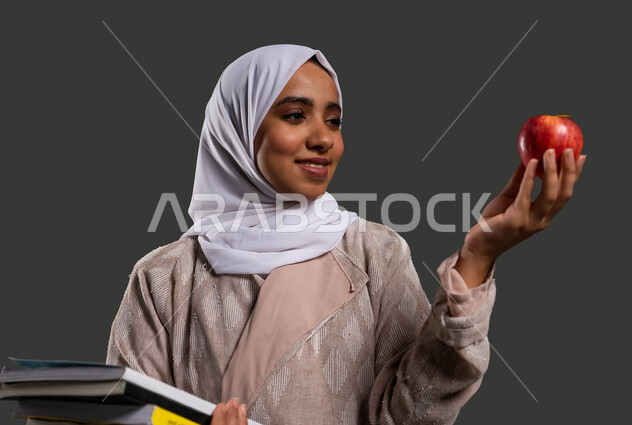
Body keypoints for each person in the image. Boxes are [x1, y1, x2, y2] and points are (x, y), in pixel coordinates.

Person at [106, 44, 586, 425]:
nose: (324, 138)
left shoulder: (374, 254)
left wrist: (477, 259)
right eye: (296, 116)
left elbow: (411, 416)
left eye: (334, 121)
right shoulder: (165, 277)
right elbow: (114, 417)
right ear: (239, 128)